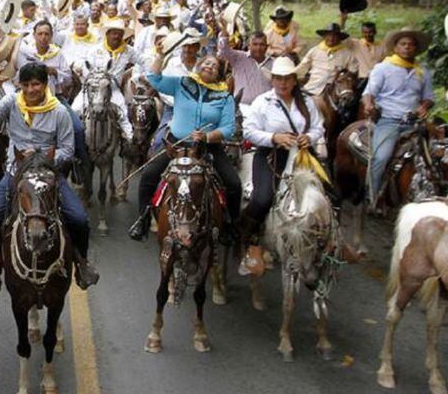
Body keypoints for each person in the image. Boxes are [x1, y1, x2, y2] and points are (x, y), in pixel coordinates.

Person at [0, 62, 98, 291]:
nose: (31, 90)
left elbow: (67, 149)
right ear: (20, 85)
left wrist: (41, 157)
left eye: (36, 84)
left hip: (48, 175)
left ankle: (82, 262)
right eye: (26, 85)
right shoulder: (11, 101)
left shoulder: (60, 112)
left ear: (44, 85)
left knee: (80, 219)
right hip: (17, 173)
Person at [130, 54, 240, 242]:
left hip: (207, 148)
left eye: (214, 65)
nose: (209, 66)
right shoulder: (181, 84)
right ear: (199, 65)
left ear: (219, 73)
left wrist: (208, 136)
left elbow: (228, 128)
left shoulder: (225, 97)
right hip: (176, 143)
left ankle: (230, 226)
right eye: (206, 62)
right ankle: (143, 218)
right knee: (149, 175)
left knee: (234, 184)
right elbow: (154, 79)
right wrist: (159, 55)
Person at [240, 57, 326, 276]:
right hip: (271, 155)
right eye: (278, 78)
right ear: (273, 80)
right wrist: (274, 137)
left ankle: (329, 240)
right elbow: (248, 130)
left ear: (295, 80)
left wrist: (309, 136)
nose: (282, 83)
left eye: (287, 78)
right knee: (262, 198)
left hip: (303, 156)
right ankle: (251, 244)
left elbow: (319, 127)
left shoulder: (307, 103)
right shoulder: (262, 102)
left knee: (330, 194)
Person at [361, 27, 435, 204]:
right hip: (390, 120)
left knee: (440, 153)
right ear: (395, 47)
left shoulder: (422, 72)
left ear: (416, 49)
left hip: (415, 122)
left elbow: (428, 98)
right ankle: (372, 195)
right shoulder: (382, 68)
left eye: (411, 44)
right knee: (381, 157)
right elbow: (369, 93)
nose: (407, 47)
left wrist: (424, 106)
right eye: (403, 44)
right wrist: (369, 104)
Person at [72, 20, 136, 142]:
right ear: (107, 34)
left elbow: (144, 61)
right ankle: (75, 145)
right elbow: (85, 66)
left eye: (119, 34)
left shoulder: (129, 50)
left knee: (123, 113)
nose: (116, 36)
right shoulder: (95, 50)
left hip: (113, 89)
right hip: (92, 87)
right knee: (75, 110)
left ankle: (129, 142)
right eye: (113, 33)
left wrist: (137, 74)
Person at [215, 27, 272, 117]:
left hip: (268, 110)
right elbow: (223, 51)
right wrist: (223, 36)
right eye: (255, 44)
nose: (258, 48)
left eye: (262, 44)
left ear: (267, 47)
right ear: (249, 46)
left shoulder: (274, 63)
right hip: (243, 110)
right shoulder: (238, 57)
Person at [296, 22, 359, 95]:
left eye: (335, 36)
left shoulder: (347, 54)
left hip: (334, 91)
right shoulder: (315, 51)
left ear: (339, 38)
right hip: (313, 87)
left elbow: (354, 70)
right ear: (324, 36)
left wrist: (344, 76)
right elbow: (302, 67)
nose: (331, 39)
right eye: (329, 35)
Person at [16, 20, 71, 93]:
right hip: (28, 95)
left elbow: (69, 79)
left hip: (52, 97)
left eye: (46, 34)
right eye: (40, 34)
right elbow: (17, 77)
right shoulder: (26, 52)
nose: (43, 37)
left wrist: (55, 72)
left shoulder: (57, 53)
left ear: (51, 36)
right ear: (34, 35)